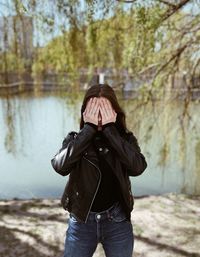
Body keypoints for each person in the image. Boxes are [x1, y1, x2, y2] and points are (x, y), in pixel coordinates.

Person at [51, 84, 147, 257]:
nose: (99, 116)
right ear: (85, 112)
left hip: (117, 220)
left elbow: (137, 167)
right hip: (81, 221)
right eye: (94, 110)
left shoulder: (125, 140)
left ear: (114, 112)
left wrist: (110, 130)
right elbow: (60, 166)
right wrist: (89, 129)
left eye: (104, 109)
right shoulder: (75, 139)